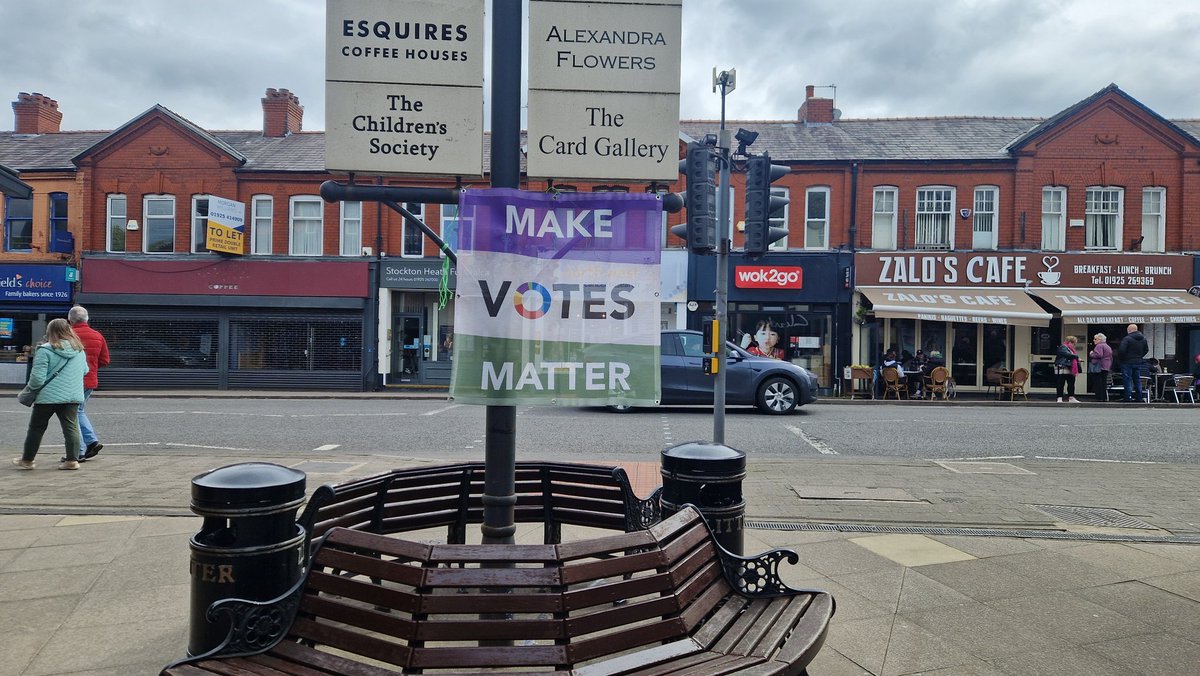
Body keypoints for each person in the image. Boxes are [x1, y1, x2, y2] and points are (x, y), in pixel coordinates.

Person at [12, 319, 89, 470]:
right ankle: (72, 461)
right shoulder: (79, 350)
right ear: (68, 330)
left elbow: (37, 379)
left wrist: (31, 389)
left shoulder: (45, 350)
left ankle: (27, 460)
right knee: (71, 427)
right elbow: (85, 371)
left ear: (50, 331)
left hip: (47, 397)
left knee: (37, 427)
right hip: (72, 395)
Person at [68, 305, 110, 461]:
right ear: (87, 319)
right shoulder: (98, 336)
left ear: (70, 320)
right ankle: (91, 442)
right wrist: (91, 366)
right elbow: (105, 360)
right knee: (79, 411)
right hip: (90, 380)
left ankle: (78, 451)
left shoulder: (68, 335)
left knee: (72, 415)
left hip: (71, 381)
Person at [1117, 323, 1149, 402]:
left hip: (1127, 362)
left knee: (1128, 380)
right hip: (1138, 361)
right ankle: (1139, 397)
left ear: (1129, 330)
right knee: (1137, 380)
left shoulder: (1127, 339)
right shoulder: (1143, 339)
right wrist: (1139, 356)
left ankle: (1128, 397)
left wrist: (1122, 358)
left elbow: (1121, 350)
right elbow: (1146, 350)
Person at [1054, 335, 1081, 403]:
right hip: (1062, 368)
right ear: (1070, 342)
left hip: (1070, 368)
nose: (1074, 345)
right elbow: (1067, 355)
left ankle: (1071, 397)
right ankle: (1059, 397)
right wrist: (1076, 357)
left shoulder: (1069, 348)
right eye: (1073, 343)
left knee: (1071, 383)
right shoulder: (1063, 347)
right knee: (1060, 383)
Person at [1088, 333, 1113, 402]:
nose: (1093, 340)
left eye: (1095, 339)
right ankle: (1103, 397)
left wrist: (1091, 354)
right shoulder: (1107, 346)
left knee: (1098, 383)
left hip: (1099, 366)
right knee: (1103, 382)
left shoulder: (1099, 346)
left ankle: (1099, 397)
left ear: (1100, 339)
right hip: (1106, 366)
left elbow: (1099, 355)